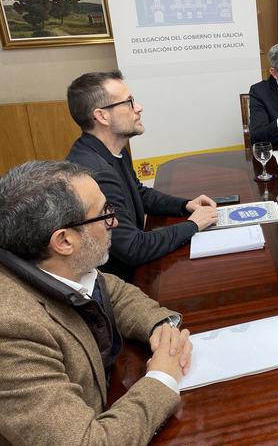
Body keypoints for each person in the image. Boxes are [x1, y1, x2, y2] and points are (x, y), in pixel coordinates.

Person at [0, 161, 192, 444]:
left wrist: (159, 326)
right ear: (64, 241)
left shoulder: (54, 262)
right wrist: (162, 378)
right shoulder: (12, 329)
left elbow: (110, 289)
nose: (114, 221)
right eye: (103, 214)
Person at [66, 70, 218, 282]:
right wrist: (192, 225)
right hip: (120, 282)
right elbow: (133, 247)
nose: (138, 108)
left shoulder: (109, 150)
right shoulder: (95, 173)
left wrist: (185, 206)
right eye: (129, 102)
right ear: (102, 116)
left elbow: (139, 193)